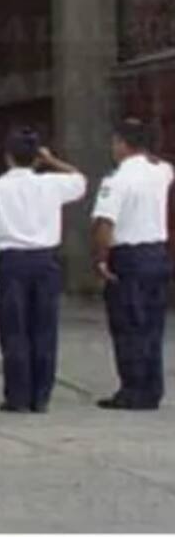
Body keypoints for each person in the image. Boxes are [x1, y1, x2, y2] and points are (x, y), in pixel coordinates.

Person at [0, 128, 86, 413]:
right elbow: (79, 180)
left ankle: (17, 396)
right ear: (36, 158)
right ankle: (41, 396)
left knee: (14, 330)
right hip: (45, 262)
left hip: (11, 263)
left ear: (7, 157)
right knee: (44, 329)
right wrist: (53, 160)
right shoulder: (51, 185)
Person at [91, 118, 173, 411]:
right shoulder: (161, 172)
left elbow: (105, 223)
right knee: (152, 325)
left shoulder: (116, 180)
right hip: (158, 255)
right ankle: (152, 388)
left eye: (115, 142)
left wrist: (101, 259)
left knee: (128, 325)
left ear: (123, 145)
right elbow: (162, 165)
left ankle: (133, 390)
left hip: (129, 258)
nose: (113, 148)